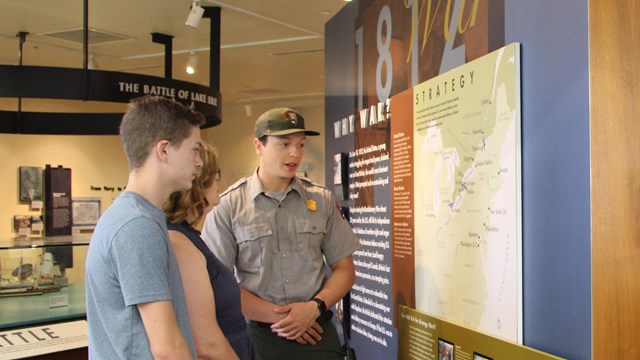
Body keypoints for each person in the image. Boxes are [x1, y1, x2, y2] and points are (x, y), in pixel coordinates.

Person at [201, 107, 360, 360]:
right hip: (258, 335)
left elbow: (345, 268)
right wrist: (287, 318)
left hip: (317, 330)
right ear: (258, 146)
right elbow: (218, 284)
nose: (294, 153)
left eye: (300, 144)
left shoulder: (321, 199)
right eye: (284, 144)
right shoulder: (228, 206)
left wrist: (314, 308)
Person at [85, 95, 205, 359]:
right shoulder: (137, 225)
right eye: (194, 149)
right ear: (164, 150)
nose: (199, 162)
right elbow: (167, 347)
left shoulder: (133, 217)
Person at [163, 142, 256, 360]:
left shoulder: (189, 236)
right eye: (215, 181)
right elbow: (206, 342)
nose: (218, 193)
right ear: (200, 182)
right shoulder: (179, 242)